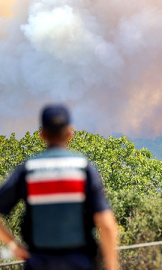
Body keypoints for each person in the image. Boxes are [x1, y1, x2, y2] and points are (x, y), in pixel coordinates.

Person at [0, 104, 118, 270]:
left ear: (42, 134)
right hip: (80, 262)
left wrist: (13, 245)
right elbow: (106, 224)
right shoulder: (83, 168)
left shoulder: (28, 169)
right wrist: (112, 266)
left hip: (39, 262)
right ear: (70, 133)